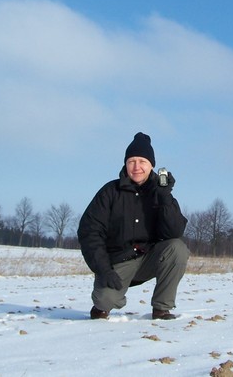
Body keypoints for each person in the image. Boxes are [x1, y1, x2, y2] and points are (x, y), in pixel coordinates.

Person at [77, 132, 189, 320]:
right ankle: (101, 306)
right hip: (117, 263)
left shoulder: (160, 193)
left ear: (151, 165)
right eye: (132, 161)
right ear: (125, 164)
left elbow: (174, 232)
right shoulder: (110, 192)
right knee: (104, 300)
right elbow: (90, 232)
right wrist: (103, 269)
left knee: (177, 248)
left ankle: (162, 309)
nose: (137, 167)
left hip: (148, 259)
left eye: (142, 161)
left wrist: (164, 198)